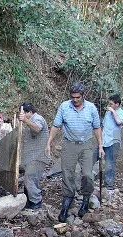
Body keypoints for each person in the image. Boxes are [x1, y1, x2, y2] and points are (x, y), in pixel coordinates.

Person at [45, 82, 105, 222]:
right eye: (73, 97)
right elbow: (56, 126)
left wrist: (101, 146)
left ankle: (85, 199)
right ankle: (67, 202)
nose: (75, 100)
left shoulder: (91, 108)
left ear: (83, 96)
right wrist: (49, 143)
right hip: (69, 144)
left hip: (86, 145)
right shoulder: (64, 107)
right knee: (67, 174)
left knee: (87, 175)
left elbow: (97, 128)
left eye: (78, 97)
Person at [93, 94, 123, 198]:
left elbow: (119, 122)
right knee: (92, 157)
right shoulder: (108, 113)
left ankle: (109, 186)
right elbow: (104, 126)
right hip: (104, 140)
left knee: (110, 163)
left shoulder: (122, 113)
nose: (109, 105)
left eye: (111, 104)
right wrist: (100, 141)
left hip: (114, 140)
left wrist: (113, 111)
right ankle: (85, 181)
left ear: (117, 104)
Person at [18, 102, 50, 209]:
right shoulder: (30, 120)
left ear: (30, 112)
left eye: (24, 113)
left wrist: (26, 120)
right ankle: (28, 201)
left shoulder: (38, 118)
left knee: (29, 177)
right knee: (32, 178)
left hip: (38, 156)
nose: (22, 115)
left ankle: (36, 201)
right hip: (30, 156)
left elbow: (37, 128)